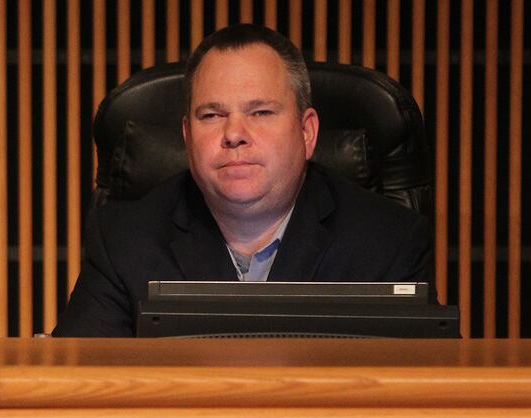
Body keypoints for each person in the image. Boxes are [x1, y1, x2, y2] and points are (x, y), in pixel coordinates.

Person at [52, 24, 434, 337]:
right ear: (187, 135)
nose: (234, 133)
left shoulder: (390, 241)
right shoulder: (124, 240)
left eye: (262, 112)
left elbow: (434, 399)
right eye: (212, 115)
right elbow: (77, 393)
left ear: (307, 132)